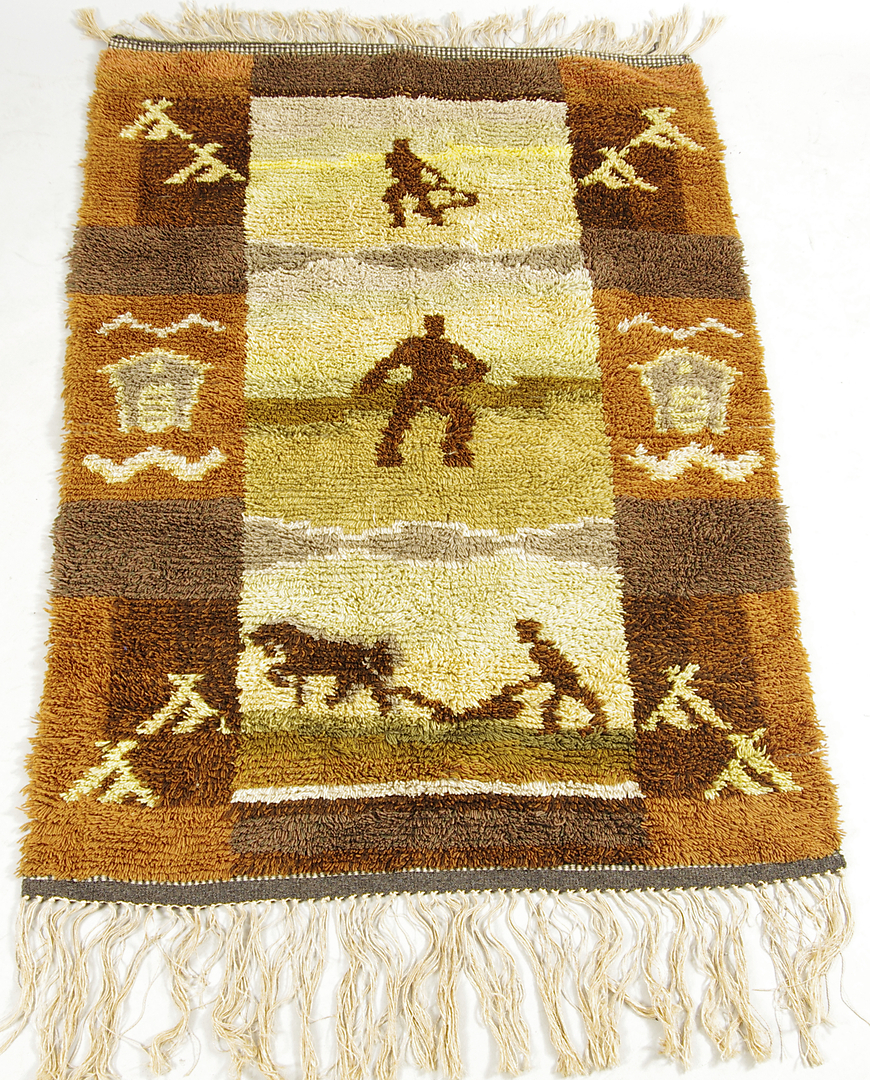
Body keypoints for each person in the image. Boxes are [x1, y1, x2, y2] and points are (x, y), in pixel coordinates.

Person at [359, 315, 488, 467]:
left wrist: (456, 377)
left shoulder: (441, 347)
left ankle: (454, 451)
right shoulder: (421, 346)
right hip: (423, 390)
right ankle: (389, 453)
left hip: (432, 391)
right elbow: (389, 363)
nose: (436, 330)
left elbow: (477, 367)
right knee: (399, 422)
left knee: (461, 417)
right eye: (434, 327)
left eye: (437, 327)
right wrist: (373, 379)